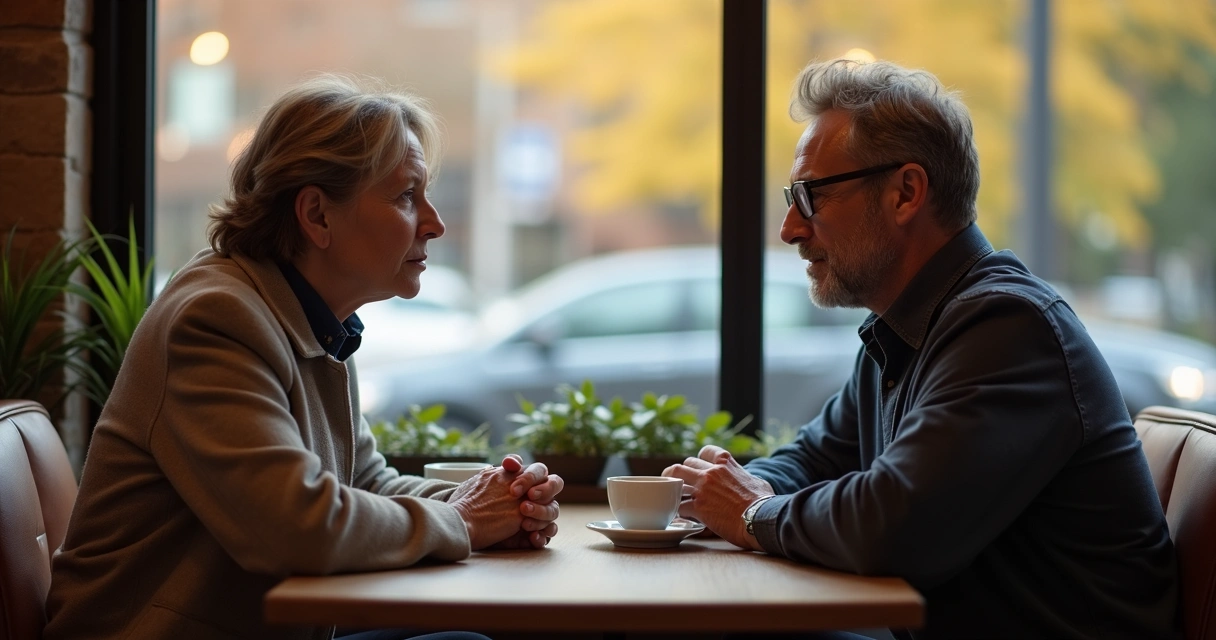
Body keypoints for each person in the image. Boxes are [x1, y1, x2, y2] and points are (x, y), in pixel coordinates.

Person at [664, 59, 1178, 639]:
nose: (789, 228)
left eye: (811, 196)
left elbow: (892, 524)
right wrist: (719, 493)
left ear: (906, 192)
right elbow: (813, 459)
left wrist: (753, 513)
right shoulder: (903, 332)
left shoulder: (1009, 328)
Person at [44, 75, 563, 640]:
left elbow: (362, 482)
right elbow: (296, 528)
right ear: (316, 215)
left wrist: (498, 506)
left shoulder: (311, 314)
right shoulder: (215, 319)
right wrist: (463, 521)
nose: (435, 223)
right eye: (407, 196)